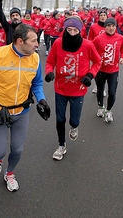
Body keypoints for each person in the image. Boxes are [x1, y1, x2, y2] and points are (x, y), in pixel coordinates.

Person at [0, 23, 50, 192]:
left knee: (17, 149)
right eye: (33, 41)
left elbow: (37, 83)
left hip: (22, 111)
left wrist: (42, 100)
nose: (37, 44)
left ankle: (10, 173)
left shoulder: (35, 58)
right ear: (20, 41)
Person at [45, 16, 101, 161]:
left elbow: (97, 62)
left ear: (80, 30)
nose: (71, 33)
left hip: (78, 89)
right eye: (68, 30)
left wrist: (90, 75)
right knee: (59, 119)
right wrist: (49, 72)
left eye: (75, 30)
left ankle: (74, 127)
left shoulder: (87, 45)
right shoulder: (58, 43)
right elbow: (50, 62)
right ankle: (61, 145)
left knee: (74, 120)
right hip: (61, 88)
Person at [92, 17, 123, 123]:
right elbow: (91, 50)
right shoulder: (98, 39)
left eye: (113, 26)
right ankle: (101, 107)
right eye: (108, 26)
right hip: (100, 70)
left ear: (115, 27)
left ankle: (108, 111)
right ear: (105, 27)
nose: (111, 28)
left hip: (113, 70)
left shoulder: (120, 38)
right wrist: (95, 61)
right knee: (100, 90)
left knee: (112, 92)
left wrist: (122, 57)